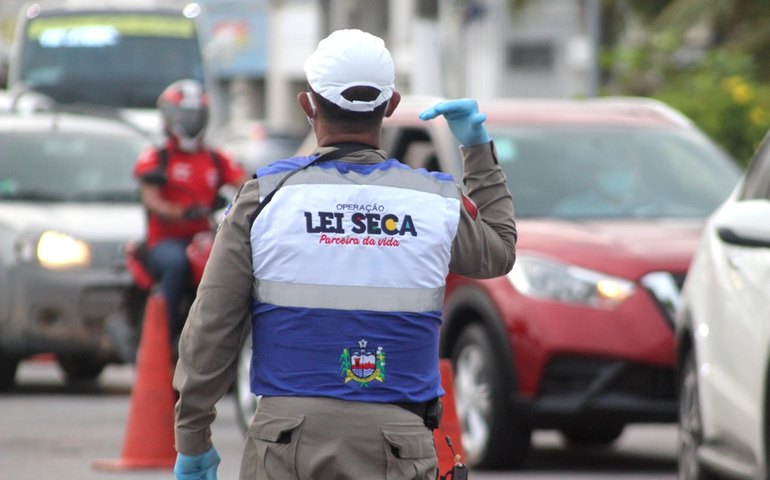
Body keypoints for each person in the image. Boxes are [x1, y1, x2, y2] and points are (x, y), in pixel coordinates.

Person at [172, 29, 517, 480]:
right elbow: (500, 251)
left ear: (308, 104)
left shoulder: (265, 197)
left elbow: (212, 325)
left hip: (285, 442)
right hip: (400, 442)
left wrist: (193, 437)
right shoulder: (435, 202)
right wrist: (475, 147)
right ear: (391, 106)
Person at [133, 79, 248, 343]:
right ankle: (164, 335)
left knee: (235, 263)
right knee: (177, 264)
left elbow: (246, 184)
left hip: (205, 237)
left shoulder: (216, 158)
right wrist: (181, 212)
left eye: (195, 115)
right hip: (165, 240)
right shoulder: (156, 157)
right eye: (184, 116)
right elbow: (151, 199)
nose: (190, 122)